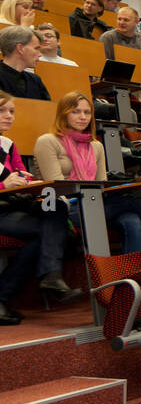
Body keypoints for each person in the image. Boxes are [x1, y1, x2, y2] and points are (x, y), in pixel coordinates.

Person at [34, 92, 141, 264]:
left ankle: (128, 276)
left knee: (132, 220)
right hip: (62, 209)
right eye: (76, 112)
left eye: (87, 112)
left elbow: (101, 185)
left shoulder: (96, 146)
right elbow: (56, 188)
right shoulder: (48, 141)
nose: (83, 117)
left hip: (94, 202)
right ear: (63, 113)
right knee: (138, 202)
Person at [0, 90, 83, 324]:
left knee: (55, 207)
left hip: (16, 206)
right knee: (56, 232)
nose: (9, 116)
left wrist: (29, 181)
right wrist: (3, 184)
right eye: (2, 111)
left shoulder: (8, 144)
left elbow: (21, 175)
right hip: (2, 210)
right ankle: (48, 276)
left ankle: (49, 275)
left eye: (12, 111)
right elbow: (8, 180)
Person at [0, 27, 51, 100]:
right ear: (20, 49)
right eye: (36, 48)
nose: (40, 54)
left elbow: (47, 108)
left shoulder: (35, 80)